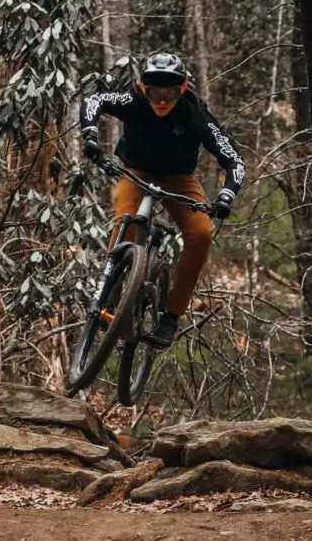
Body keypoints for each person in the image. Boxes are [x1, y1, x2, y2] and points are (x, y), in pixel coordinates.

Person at [77, 52, 246, 348]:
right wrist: (90, 135)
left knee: (202, 234)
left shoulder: (196, 114)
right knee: (125, 226)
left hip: (179, 178)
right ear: (144, 88)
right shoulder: (133, 101)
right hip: (135, 171)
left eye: (170, 92)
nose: (162, 100)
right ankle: (115, 296)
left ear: (182, 89)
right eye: (155, 91)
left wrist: (225, 196)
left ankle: (170, 317)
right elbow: (94, 101)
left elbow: (234, 161)